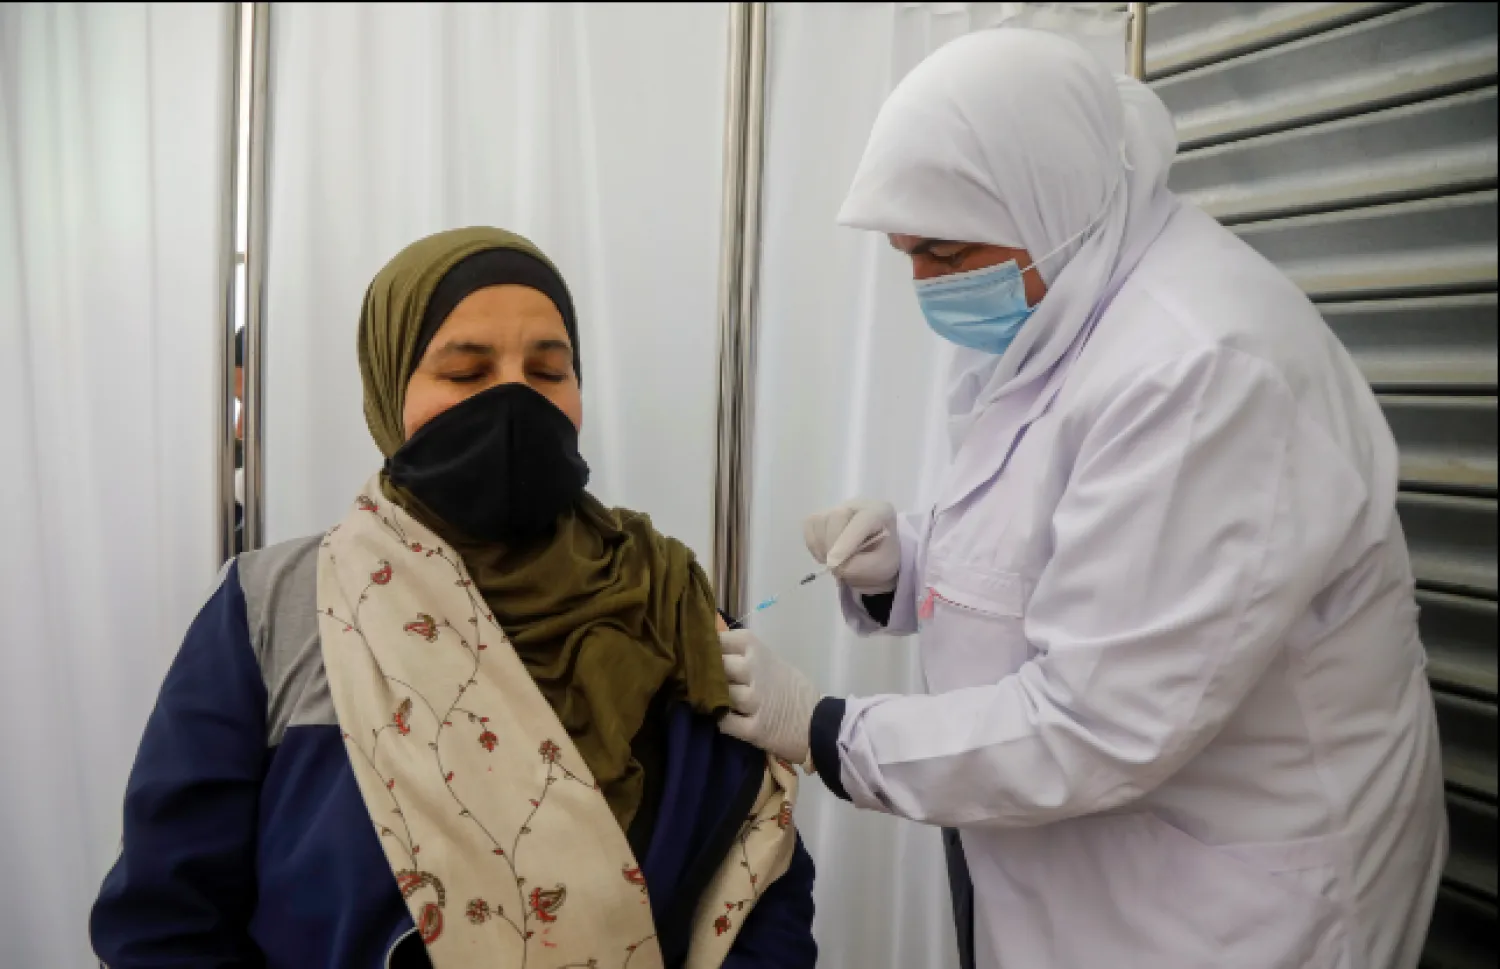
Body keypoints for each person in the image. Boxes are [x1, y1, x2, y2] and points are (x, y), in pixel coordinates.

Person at [717, 28, 1447, 969]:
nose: (926, 284)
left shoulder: (1203, 369)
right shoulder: (1067, 296)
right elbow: (1063, 532)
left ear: (1048, 195)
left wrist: (827, 729)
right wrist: (909, 559)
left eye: (943, 250)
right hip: (1088, 861)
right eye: (908, 252)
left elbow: (1097, 720)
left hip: (1231, 903)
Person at [92, 228, 817, 969]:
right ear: (387, 390)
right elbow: (166, 916)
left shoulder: (665, 597)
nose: (513, 398)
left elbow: (761, 874)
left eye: (548, 370)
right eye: (467, 373)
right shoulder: (274, 608)